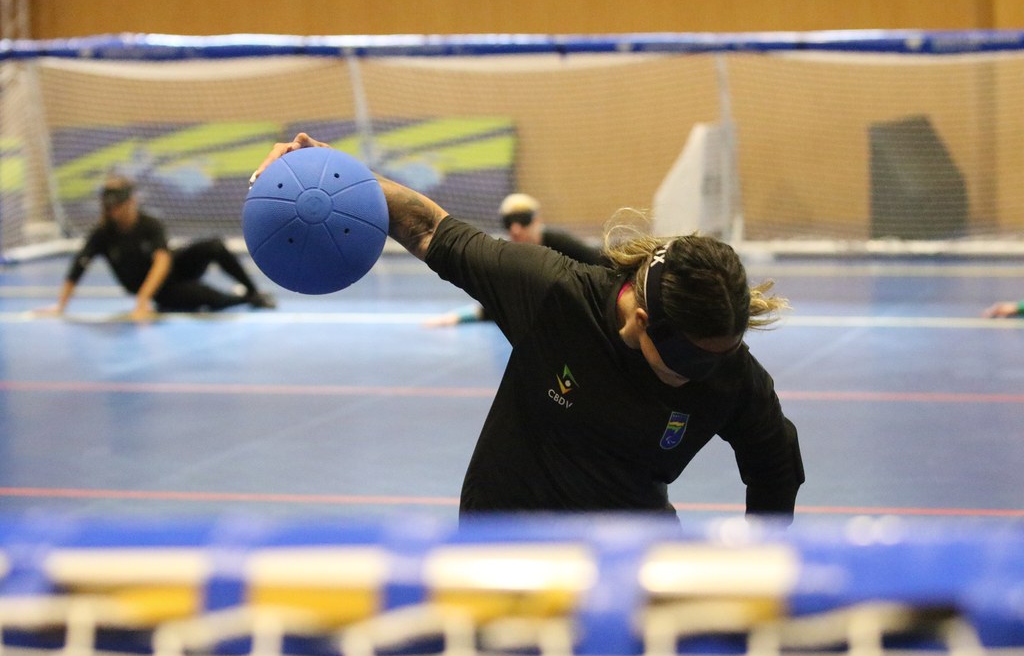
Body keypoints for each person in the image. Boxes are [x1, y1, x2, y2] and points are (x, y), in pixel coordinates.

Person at [253, 133, 805, 523]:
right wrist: (331, 175)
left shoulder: (731, 375)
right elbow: (428, 230)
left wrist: (757, 564)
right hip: (504, 531)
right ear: (640, 321)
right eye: (692, 361)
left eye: (723, 354)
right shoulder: (552, 293)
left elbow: (775, 465)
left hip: (627, 544)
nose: (706, 373)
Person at [42, 175, 276, 322]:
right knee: (206, 297)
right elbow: (79, 266)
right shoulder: (103, 234)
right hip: (159, 291)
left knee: (213, 246)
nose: (113, 211)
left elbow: (162, 261)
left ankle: (253, 292)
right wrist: (60, 306)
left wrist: (142, 302)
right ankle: (245, 300)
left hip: (168, 271)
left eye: (117, 205)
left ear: (130, 201)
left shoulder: (149, 224)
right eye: (109, 207)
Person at [425, 192, 609, 326]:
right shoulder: (508, 256)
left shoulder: (560, 243)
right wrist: (457, 317)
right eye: (509, 222)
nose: (515, 230)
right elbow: (499, 302)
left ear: (537, 221)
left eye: (523, 220)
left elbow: (599, 264)